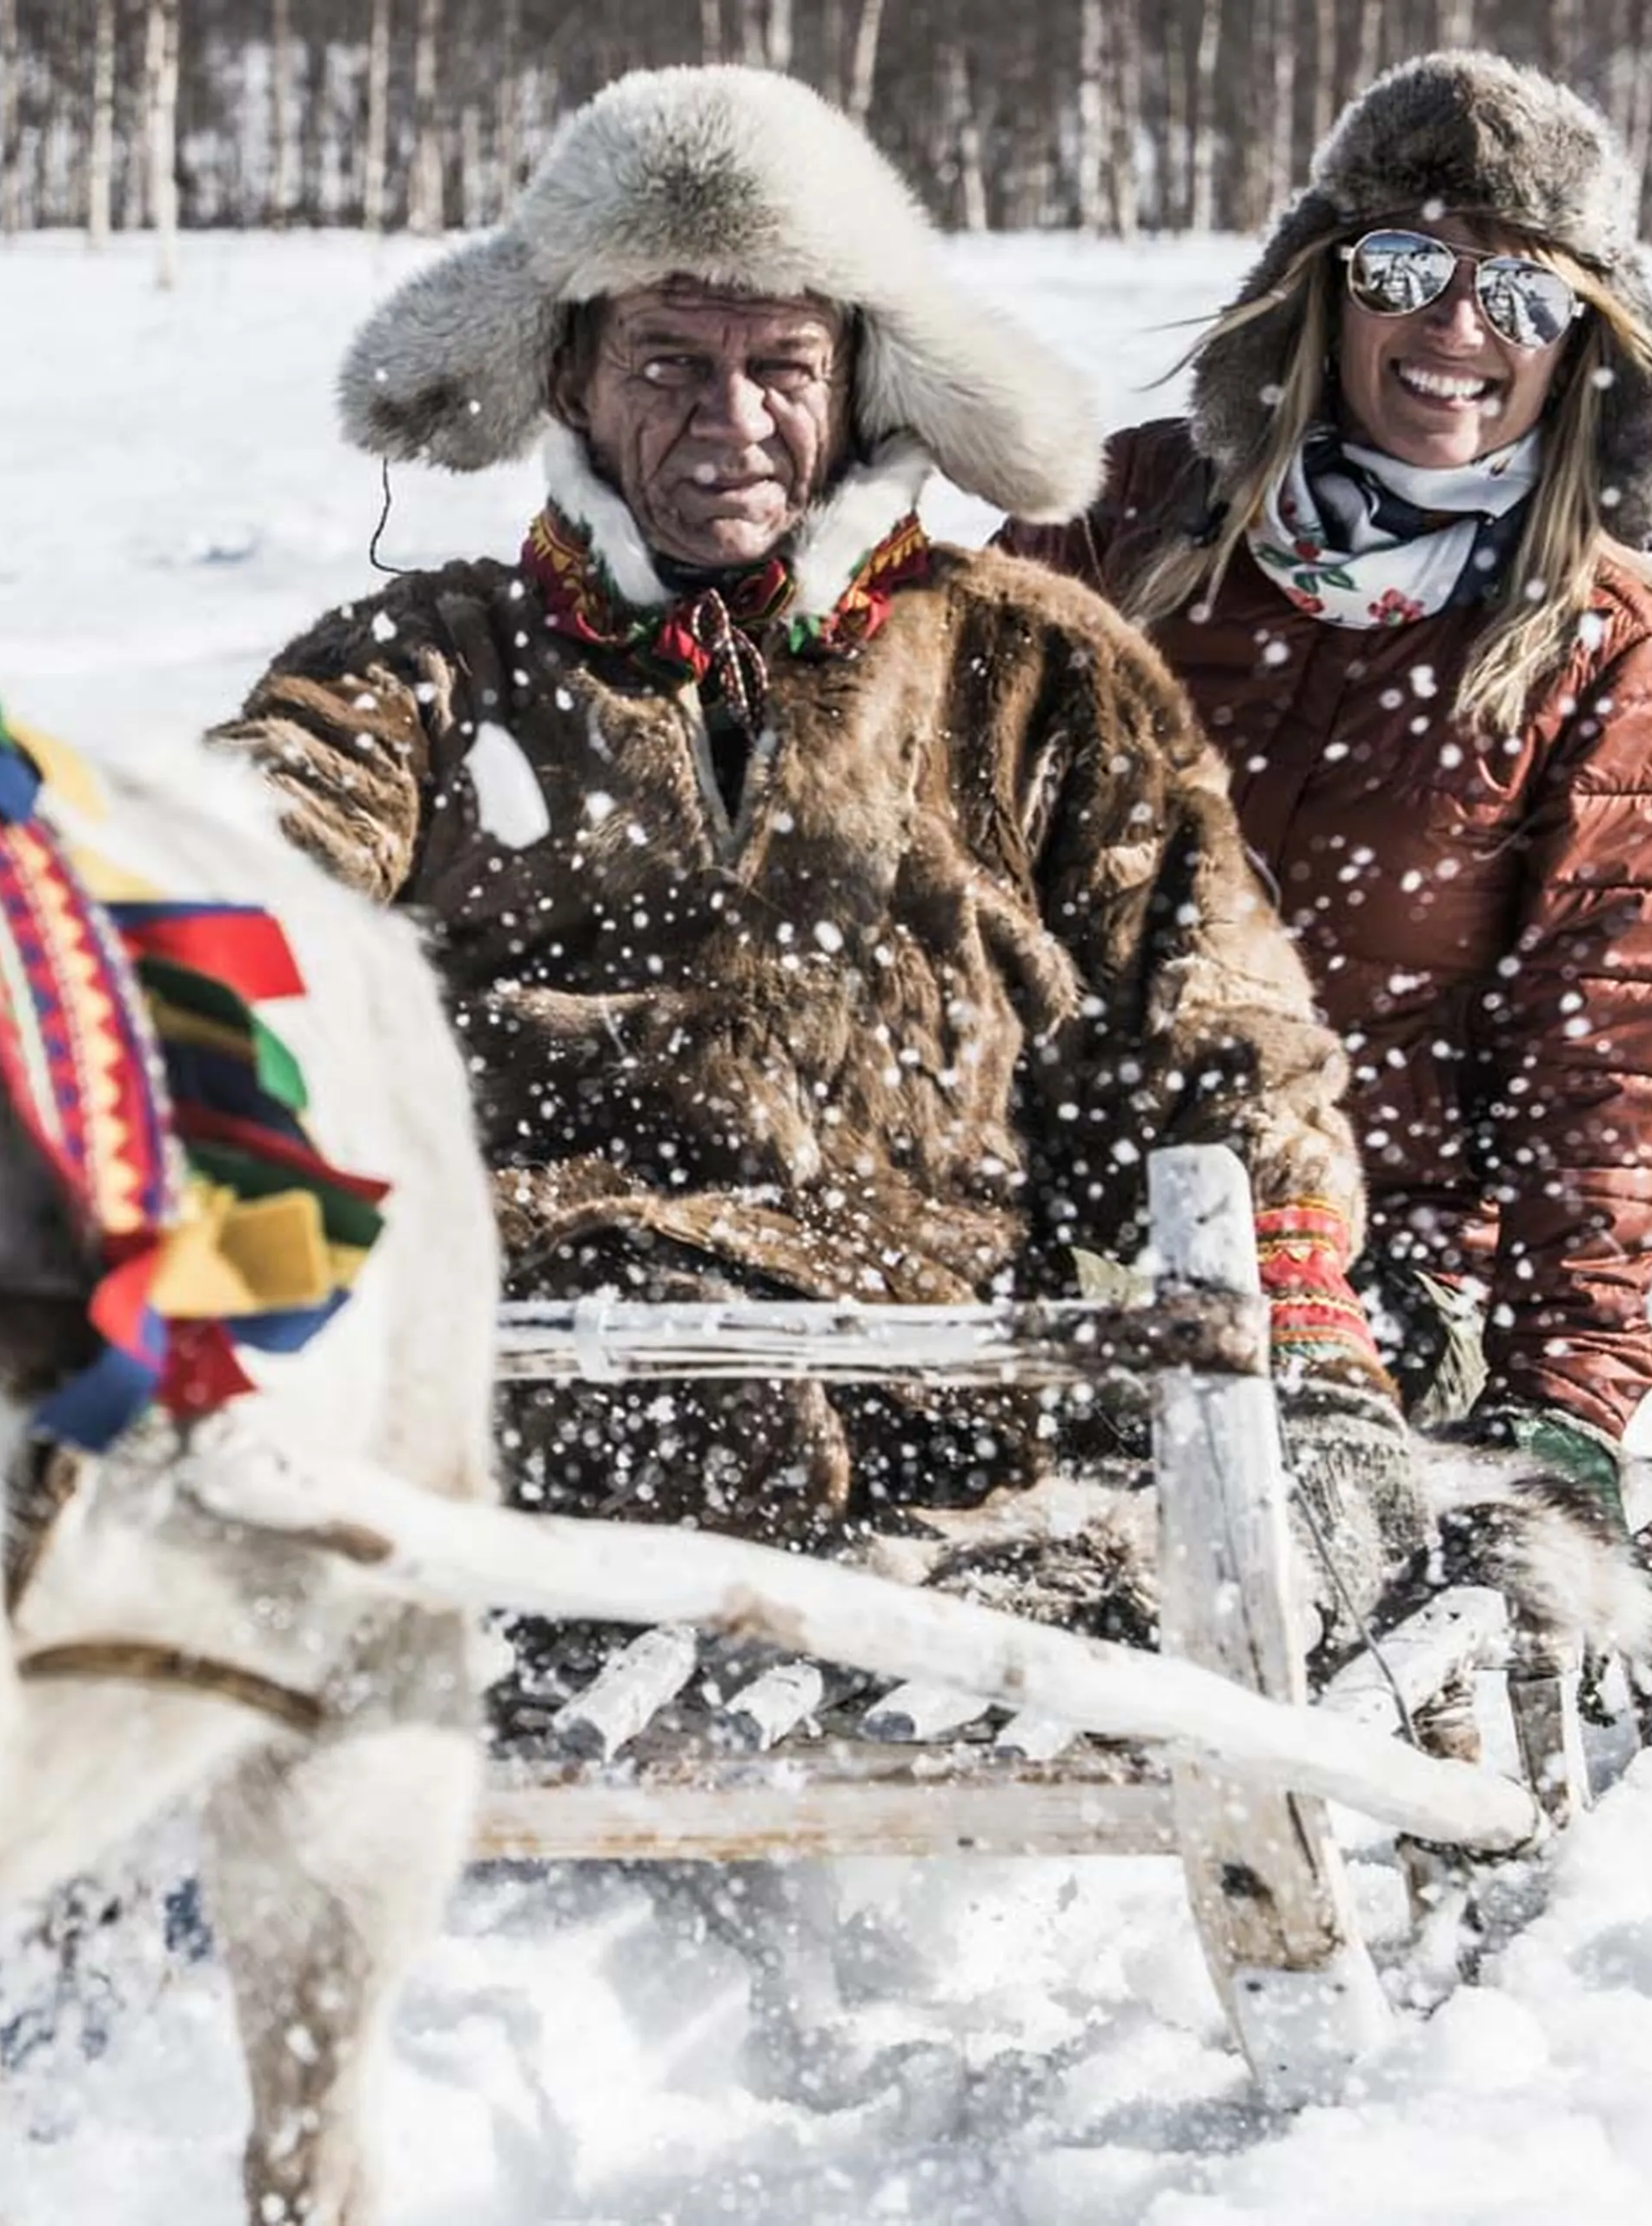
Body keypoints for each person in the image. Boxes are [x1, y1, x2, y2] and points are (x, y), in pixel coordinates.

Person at [212, 65, 1423, 1651]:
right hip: (524, 1396)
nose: (731, 423)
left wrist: (1309, 1331)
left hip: (946, 1412)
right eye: (668, 361)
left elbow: (1229, 1021)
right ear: (570, 377)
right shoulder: (425, 666)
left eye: (780, 365)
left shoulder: (1032, 669)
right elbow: (237, 878)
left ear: (858, 382)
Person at [1000, 53, 1652, 1549]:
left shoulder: (1606, 648)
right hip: (1054, 1206)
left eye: (1523, 294)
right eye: (1408, 265)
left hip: (1378, 1271)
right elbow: (934, 863)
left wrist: (1564, 1398)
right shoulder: (1120, 524)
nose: (1459, 326)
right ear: (1323, 287)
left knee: (1241, 1559)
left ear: (1582, 343)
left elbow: (1605, 1071)